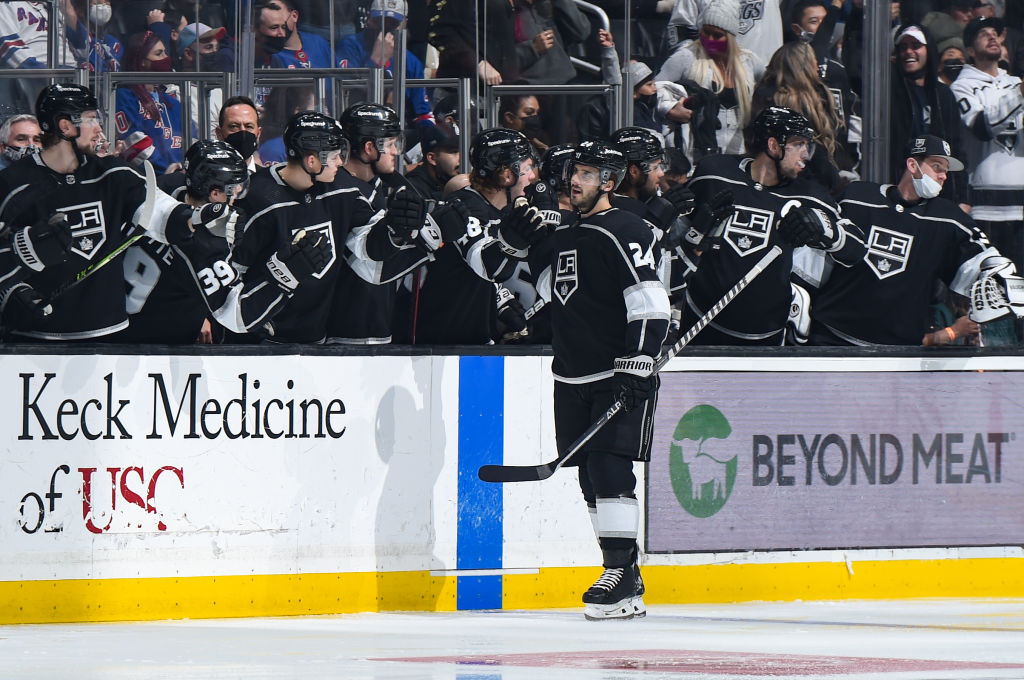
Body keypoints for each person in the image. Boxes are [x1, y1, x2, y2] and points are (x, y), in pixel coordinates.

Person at [533, 140, 669, 620]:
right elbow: (556, 292)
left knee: (611, 469)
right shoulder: (570, 231)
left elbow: (651, 299)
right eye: (576, 171)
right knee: (590, 476)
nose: (576, 179)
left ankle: (620, 573)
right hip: (571, 373)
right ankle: (623, 577)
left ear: (608, 183)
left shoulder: (625, 228)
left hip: (618, 371)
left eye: (588, 174)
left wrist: (640, 359)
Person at [0, 84, 222, 341]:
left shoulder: (113, 174)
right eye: (92, 119)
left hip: (108, 336)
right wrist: (12, 289)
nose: (99, 129)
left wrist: (193, 218)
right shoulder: (12, 184)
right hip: (35, 339)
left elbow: (161, 212)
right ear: (65, 126)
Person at [681, 106, 863, 345]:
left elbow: (857, 249)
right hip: (698, 323)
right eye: (798, 144)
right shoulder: (714, 173)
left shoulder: (810, 195)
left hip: (766, 335)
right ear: (774, 145)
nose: (806, 155)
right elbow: (677, 235)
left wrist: (828, 229)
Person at [798, 135, 1004, 345]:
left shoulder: (948, 219)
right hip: (831, 338)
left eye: (946, 171)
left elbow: (984, 258)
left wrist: (999, 275)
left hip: (899, 351)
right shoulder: (857, 197)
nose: (943, 176)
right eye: (937, 167)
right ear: (913, 165)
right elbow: (813, 257)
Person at [117, 140, 327, 344]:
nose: (237, 196)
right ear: (215, 193)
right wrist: (285, 277)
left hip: (116, 324)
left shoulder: (165, 189)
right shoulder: (204, 245)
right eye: (233, 189)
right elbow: (237, 315)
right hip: (154, 345)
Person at [326, 103, 450, 345]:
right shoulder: (341, 191)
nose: (396, 151)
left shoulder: (380, 187)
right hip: (345, 335)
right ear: (370, 148)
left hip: (377, 328)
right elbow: (370, 267)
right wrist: (430, 239)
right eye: (391, 144)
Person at [410, 128, 540, 344]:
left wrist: (500, 300)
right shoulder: (464, 207)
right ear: (507, 175)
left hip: (475, 337)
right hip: (442, 344)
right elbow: (484, 265)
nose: (533, 176)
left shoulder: (502, 210)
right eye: (526, 169)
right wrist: (512, 242)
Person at [951, 16, 1024, 273]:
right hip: (986, 208)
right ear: (970, 50)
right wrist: (1019, 95)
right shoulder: (962, 87)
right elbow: (982, 127)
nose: (993, 36)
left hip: (1021, 205)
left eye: (996, 32)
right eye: (984, 34)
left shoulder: (1015, 83)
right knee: (993, 285)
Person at [656, 0, 765, 155]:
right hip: (696, 154)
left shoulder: (748, 61)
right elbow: (655, 89)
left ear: (730, 37)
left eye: (718, 35)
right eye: (706, 32)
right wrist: (669, 108)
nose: (710, 39)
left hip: (737, 155)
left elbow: (773, 81)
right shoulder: (686, 57)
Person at [889, 24, 969, 209]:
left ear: (929, 50)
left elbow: (956, 147)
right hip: (899, 190)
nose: (909, 51)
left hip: (938, 191)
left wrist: (963, 197)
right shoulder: (889, 92)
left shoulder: (943, 95)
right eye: (903, 47)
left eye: (916, 45)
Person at [751, 41, 846, 193]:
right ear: (805, 67)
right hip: (807, 183)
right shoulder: (813, 100)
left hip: (766, 180)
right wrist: (835, 182)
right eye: (814, 61)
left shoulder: (763, 95)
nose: (817, 65)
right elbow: (818, 154)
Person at [336, 0, 436, 130]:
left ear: (404, 23)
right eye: (380, 22)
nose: (384, 30)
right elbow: (346, 95)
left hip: (396, 129)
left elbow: (422, 113)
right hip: (358, 124)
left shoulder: (410, 61)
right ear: (369, 18)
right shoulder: (350, 46)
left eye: (392, 24)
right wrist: (377, 59)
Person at [114, 30, 191, 174]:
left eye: (165, 52)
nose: (165, 58)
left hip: (181, 175)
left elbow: (192, 135)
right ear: (142, 61)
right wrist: (165, 170)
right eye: (158, 53)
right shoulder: (124, 97)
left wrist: (189, 167)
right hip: (148, 179)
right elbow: (132, 141)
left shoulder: (171, 101)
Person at [253, 0, 332, 69]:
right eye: (274, 27)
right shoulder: (267, 52)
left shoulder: (318, 43)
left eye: (278, 11)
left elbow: (339, 77)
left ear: (294, 16)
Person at [404, 125, 461, 202]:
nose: (461, 159)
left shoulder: (458, 183)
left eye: (461, 152)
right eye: (453, 152)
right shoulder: (414, 190)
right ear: (432, 158)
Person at [214, 96, 263, 169]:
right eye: (234, 126)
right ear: (219, 133)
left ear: (258, 134)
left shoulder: (268, 178)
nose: (243, 131)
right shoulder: (207, 178)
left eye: (249, 126)